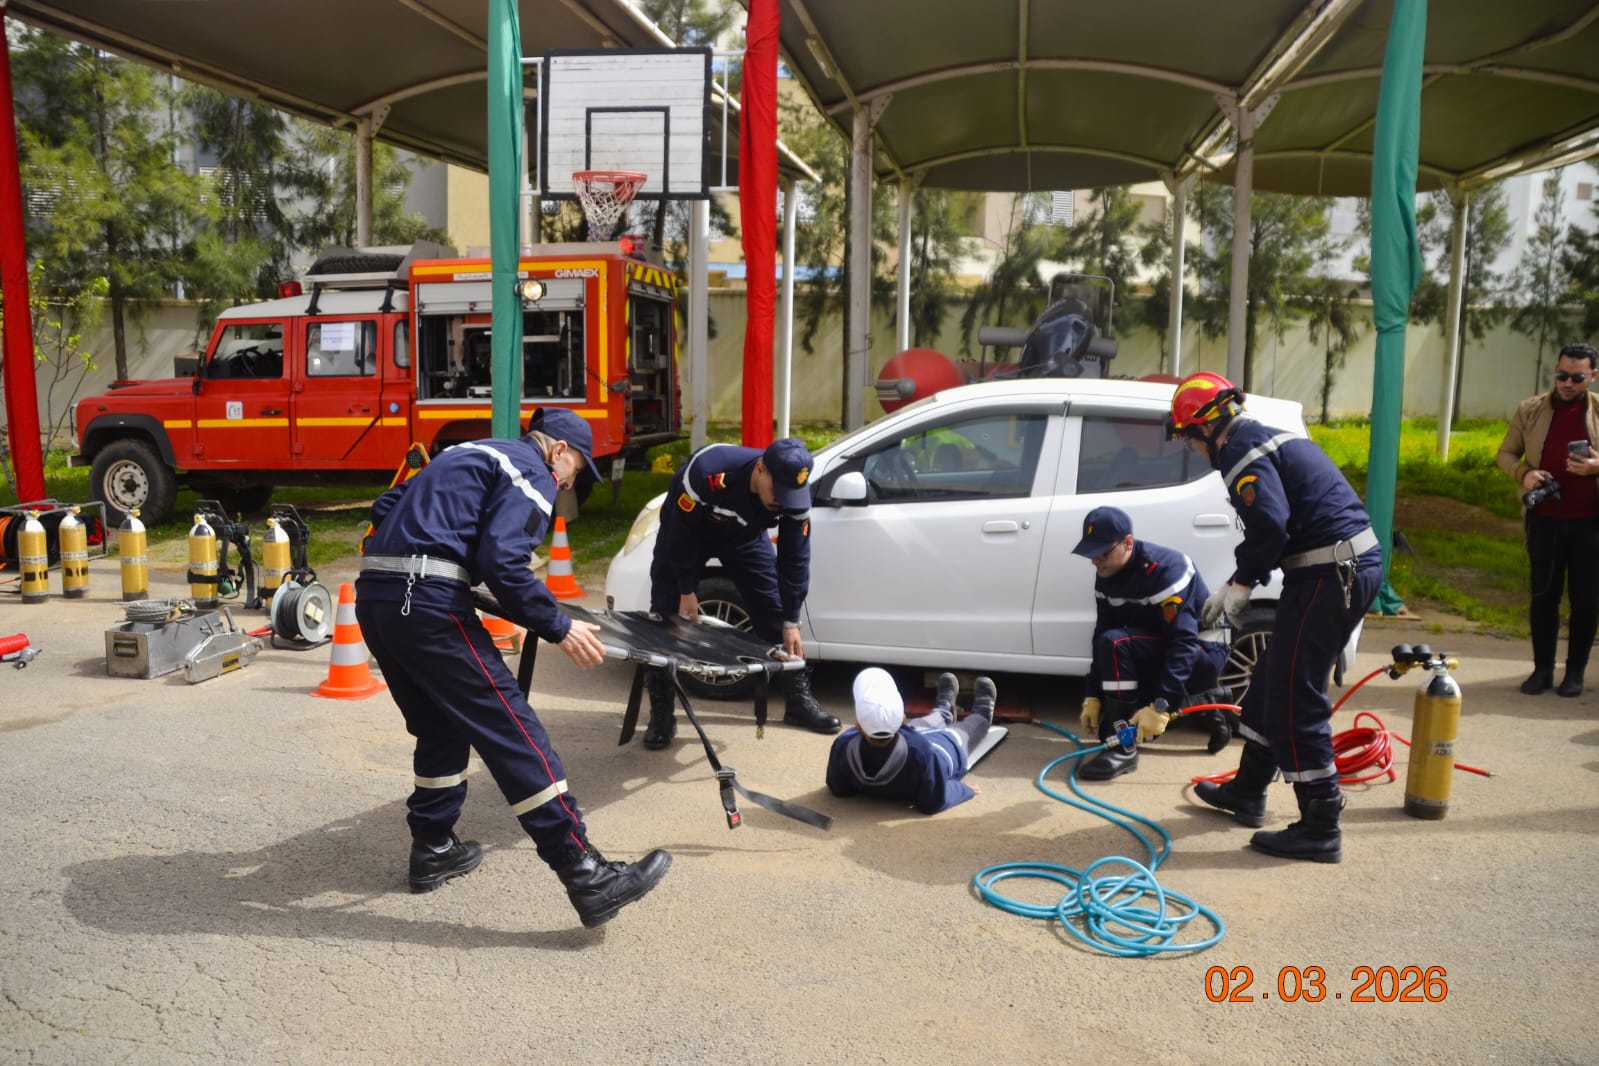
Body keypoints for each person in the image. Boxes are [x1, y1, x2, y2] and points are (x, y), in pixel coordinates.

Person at [355, 407, 671, 927]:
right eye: (574, 472)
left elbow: (387, 504)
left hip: (376, 596)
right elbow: (503, 560)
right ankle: (585, 873)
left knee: (440, 725)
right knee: (515, 732)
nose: (566, 484)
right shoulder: (531, 469)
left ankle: (433, 847)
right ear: (558, 451)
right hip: (428, 601)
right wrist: (559, 625)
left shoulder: (466, 453)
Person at [1166, 371, 1382, 864]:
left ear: (1206, 428)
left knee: (1294, 696)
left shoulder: (1240, 450)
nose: (1192, 449)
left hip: (1331, 575)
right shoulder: (1260, 437)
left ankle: (1320, 825)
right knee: (1269, 680)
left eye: (1188, 438)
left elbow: (1269, 523)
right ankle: (1248, 790)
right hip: (1334, 569)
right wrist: (1239, 579)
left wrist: (1242, 583)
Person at [640, 438, 841, 748]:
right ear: (760, 469)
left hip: (744, 537)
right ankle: (662, 713)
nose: (783, 501)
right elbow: (679, 534)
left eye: (790, 494)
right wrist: (686, 589)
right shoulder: (708, 472)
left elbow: (795, 558)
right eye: (778, 492)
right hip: (689, 533)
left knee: (776, 611)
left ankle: (797, 702)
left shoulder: (793, 498)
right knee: (665, 615)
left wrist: (792, 619)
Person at [1072, 505, 1233, 782]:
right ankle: (1204, 702)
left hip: (1202, 651)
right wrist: (1093, 694)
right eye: (1091, 554)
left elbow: (1183, 643)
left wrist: (1161, 706)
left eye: (1102, 553)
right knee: (1109, 726)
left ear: (1128, 543)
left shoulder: (1167, 570)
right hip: (1163, 646)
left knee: (1116, 646)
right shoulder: (1108, 573)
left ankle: (1123, 750)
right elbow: (1102, 633)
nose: (1095, 561)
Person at [1495, 342, 1599, 698]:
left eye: (1577, 378)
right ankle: (1542, 670)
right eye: (1561, 375)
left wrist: (1596, 466)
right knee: (1543, 596)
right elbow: (1505, 453)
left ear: (1592, 376)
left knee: (1585, 600)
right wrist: (1524, 473)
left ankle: (1575, 673)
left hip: (1590, 524)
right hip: (1544, 519)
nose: (1567, 383)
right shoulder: (1530, 409)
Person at [825, 668, 997, 814]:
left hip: (907, 742)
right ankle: (982, 714)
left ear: (857, 726)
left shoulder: (843, 745)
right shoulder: (922, 751)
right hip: (940, 751)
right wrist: (963, 790)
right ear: (902, 719)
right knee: (963, 732)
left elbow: (838, 788)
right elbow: (933, 801)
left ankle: (944, 711)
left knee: (921, 724)